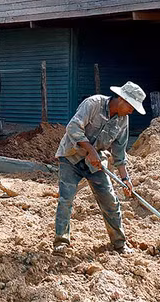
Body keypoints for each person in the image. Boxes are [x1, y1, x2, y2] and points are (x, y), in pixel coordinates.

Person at [53, 81, 146, 256]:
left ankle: (119, 243)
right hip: (71, 157)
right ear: (121, 99)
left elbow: (119, 153)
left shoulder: (123, 121)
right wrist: (90, 150)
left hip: (95, 164)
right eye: (131, 106)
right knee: (66, 199)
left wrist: (126, 179)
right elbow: (73, 127)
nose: (132, 110)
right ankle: (61, 242)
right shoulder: (93, 104)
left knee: (110, 201)